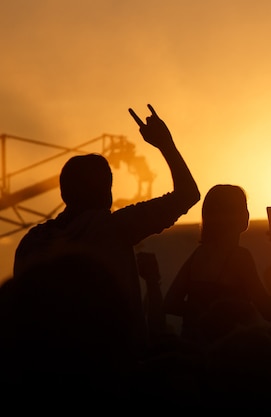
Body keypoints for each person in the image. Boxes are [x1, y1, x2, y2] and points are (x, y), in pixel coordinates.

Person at [12, 104, 201, 355]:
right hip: (110, 368)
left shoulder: (31, 243)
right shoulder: (113, 229)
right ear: (106, 192)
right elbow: (187, 194)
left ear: (63, 193)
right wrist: (165, 144)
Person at [163, 185, 271, 343]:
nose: (247, 213)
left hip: (194, 345)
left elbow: (170, 303)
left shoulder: (199, 254)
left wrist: (200, 313)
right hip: (228, 348)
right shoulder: (239, 257)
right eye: (243, 207)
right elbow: (269, 311)